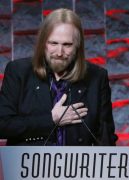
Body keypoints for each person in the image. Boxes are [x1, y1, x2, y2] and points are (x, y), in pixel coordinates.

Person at [0, 8, 117, 146]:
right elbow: (3, 126)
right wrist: (52, 119)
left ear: (78, 45)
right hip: (29, 165)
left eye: (67, 45)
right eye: (53, 43)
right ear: (43, 43)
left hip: (78, 166)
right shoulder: (18, 71)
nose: (59, 52)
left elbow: (105, 137)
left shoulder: (97, 76)